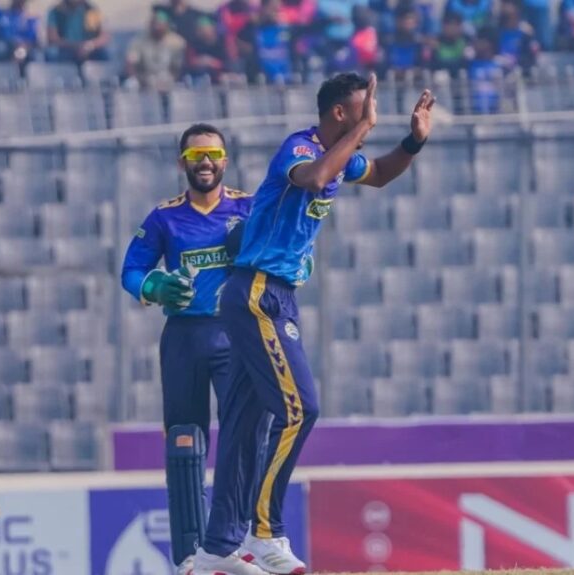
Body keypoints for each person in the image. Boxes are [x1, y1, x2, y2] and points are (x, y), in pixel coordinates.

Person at [192, 72, 435, 575]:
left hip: (273, 295)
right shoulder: (300, 148)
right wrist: (364, 130)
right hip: (258, 292)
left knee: (245, 422)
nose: (370, 115)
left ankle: (216, 548)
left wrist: (413, 141)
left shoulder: (340, 155)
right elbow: (315, 178)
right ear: (340, 113)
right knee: (300, 410)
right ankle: (264, 533)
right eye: (363, 109)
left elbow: (380, 172)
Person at [121, 124, 254, 575]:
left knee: (242, 438)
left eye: (213, 154)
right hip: (184, 339)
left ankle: (233, 543)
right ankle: (188, 556)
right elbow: (131, 270)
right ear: (182, 162)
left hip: (236, 337)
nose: (206, 162)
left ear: (225, 160)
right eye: (196, 156)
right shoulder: (165, 218)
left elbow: (286, 249)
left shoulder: (248, 208)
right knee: (184, 444)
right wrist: (155, 286)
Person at [125, 11, 187, 89]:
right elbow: (131, 62)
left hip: (168, 80)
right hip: (145, 80)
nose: (157, 28)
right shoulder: (139, 41)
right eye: (155, 24)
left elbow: (179, 66)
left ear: (167, 25)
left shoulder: (176, 42)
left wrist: (172, 79)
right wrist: (133, 78)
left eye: (160, 25)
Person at [46, 0, 110, 65]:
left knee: (103, 54)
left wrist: (90, 46)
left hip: (88, 52)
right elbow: (52, 39)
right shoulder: (56, 11)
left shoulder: (91, 11)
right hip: (65, 51)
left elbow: (103, 37)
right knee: (53, 53)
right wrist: (76, 47)